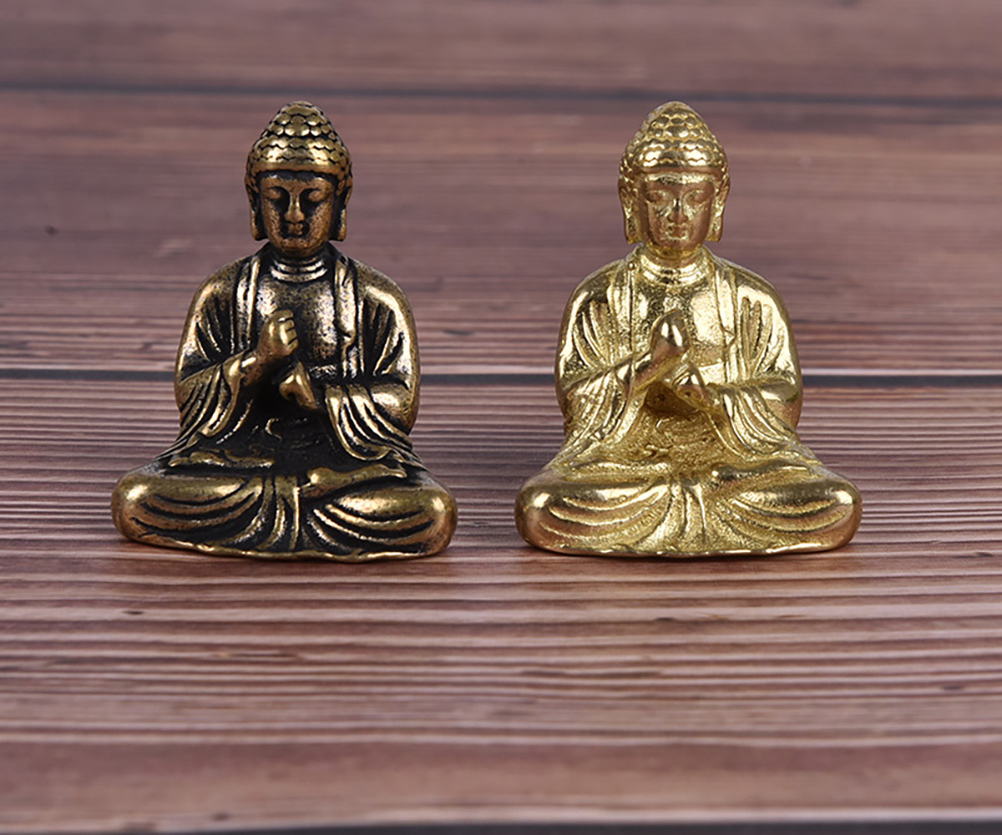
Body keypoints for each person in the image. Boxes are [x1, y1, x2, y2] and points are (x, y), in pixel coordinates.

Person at [113, 102, 456, 560]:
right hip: (237, 459)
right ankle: (294, 513)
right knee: (137, 498)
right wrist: (257, 362)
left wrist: (320, 398)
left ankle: (285, 514)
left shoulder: (377, 297)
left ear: (340, 203)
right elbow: (189, 393)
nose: (294, 215)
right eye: (277, 199)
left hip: (347, 466)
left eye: (312, 200)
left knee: (432, 511)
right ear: (254, 203)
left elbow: (401, 401)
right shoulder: (224, 291)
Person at [516, 102, 861, 557]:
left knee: (835, 502)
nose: (678, 213)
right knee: (543, 506)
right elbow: (577, 402)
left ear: (718, 201)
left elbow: (785, 398)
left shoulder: (751, 297)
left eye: (695, 197)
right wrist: (648, 367)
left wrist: (710, 398)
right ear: (630, 199)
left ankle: (687, 512)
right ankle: (687, 511)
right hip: (629, 465)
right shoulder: (600, 296)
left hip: (735, 463)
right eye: (660, 196)